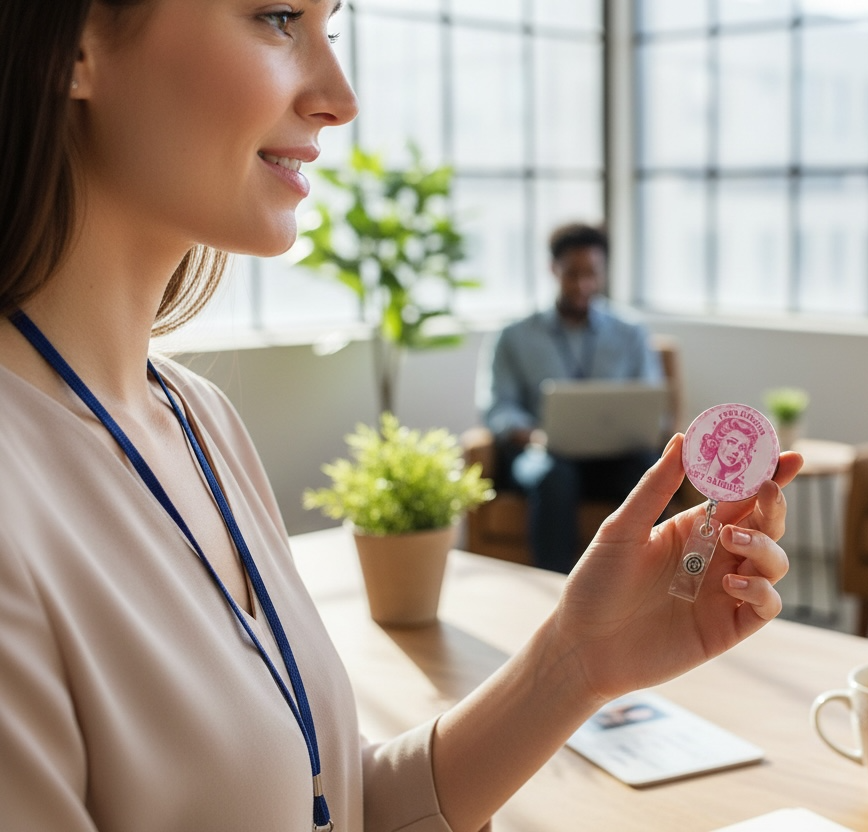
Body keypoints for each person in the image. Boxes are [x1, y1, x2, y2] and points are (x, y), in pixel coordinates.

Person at [0, 4, 802, 831]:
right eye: (278, 17)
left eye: (331, 30)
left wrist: (577, 660)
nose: (340, 96)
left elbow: (326, 808)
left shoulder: (200, 422)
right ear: (78, 41)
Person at [478, 222, 664, 573]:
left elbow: (651, 403)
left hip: (615, 457)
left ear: (604, 271)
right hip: (544, 456)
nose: (582, 285)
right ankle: (556, 588)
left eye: (591, 274)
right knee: (554, 476)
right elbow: (497, 406)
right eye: (572, 274)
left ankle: (642, 581)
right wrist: (533, 435)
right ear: (553, 270)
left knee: (646, 471)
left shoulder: (631, 333)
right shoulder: (514, 336)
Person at [688, 416, 761, 490]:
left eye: (742, 448)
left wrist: (732, 477)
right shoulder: (695, 470)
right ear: (719, 441)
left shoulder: (740, 486)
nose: (736, 451)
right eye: (732, 442)